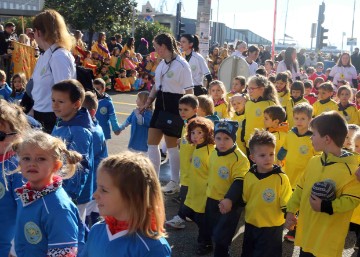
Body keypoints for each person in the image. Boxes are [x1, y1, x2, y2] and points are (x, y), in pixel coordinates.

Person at [285, 111, 360, 257]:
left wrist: (326, 206)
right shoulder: (313, 161)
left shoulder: (352, 170)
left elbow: (352, 200)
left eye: (313, 134)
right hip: (307, 234)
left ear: (327, 139)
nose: (310, 138)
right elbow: (300, 187)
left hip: (327, 241)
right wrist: (291, 210)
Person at [81, 152, 171, 257]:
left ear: (132, 196)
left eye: (104, 190)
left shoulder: (153, 247)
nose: (95, 194)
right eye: (97, 187)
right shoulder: (97, 230)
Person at [13, 130, 84, 256]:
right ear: (20, 163)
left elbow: (65, 253)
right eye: (26, 158)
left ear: (56, 166)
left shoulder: (57, 207)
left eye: (41, 158)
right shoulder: (26, 195)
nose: (32, 163)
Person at [140, 33, 194, 194]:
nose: (155, 50)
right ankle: (153, 179)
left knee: (172, 146)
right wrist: (148, 102)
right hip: (160, 106)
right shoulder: (162, 64)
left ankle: (174, 181)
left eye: (157, 47)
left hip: (175, 106)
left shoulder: (182, 65)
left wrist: (189, 113)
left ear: (164, 46)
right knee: (152, 142)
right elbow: (156, 86)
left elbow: (190, 91)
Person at [167, 117, 215, 255]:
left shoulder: (210, 151)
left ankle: (206, 243)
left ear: (208, 133)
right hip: (194, 191)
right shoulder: (199, 148)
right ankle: (208, 234)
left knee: (202, 222)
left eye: (200, 133)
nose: (196, 136)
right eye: (193, 133)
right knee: (190, 212)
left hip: (203, 193)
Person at [241, 130, 292, 257]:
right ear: (252, 158)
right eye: (262, 155)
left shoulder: (281, 178)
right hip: (251, 223)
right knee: (248, 252)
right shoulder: (249, 175)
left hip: (272, 226)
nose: (268, 158)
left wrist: (289, 216)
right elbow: (245, 197)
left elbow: (287, 199)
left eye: (271, 154)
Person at [51, 79, 94, 222]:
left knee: (73, 228)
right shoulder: (62, 121)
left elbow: (80, 168)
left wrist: (70, 195)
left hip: (72, 194)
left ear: (76, 104)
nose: (55, 105)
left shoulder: (79, 131)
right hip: (59, 186)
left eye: (61, 102)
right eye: (53, 100)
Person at [206, 119, 250, 257]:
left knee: (222, 236)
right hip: (212, 198)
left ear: (234, 138)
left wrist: (229, 199)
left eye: (226, 138)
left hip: (230, 203)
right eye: (218, 138)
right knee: (214, 231)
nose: (222, 142)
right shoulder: (214, 152)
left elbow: (239, 181)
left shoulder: (239, 158)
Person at [29, 9, 76, 133]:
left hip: (53, 119)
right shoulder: (45, 55)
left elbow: (64, 93)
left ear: (38, 32)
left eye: (33, 31)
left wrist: (60, 125)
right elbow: (39, 92)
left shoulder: (59, 56)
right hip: (40, 115)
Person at [0, 100, 30, 257]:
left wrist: (15, 247)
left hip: (7, 247)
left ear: (17, 136)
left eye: (0, 135)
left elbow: (26, 212)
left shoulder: (18, 170)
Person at [81, 91, 108, 228]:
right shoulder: (96, 126)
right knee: (94, 211)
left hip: (93, 180)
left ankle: (89, 240)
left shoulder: (92, 132)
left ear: (90, 112)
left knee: (86, 213)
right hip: (96, 178)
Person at [243, 75, 279, 154]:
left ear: (262, 89)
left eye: (252, 88)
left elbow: (273, 126)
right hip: (248, 143)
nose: (249, 91)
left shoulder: (270, 104)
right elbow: (245, 122)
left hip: (263, 144)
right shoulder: (248, 103)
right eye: (248, 88)